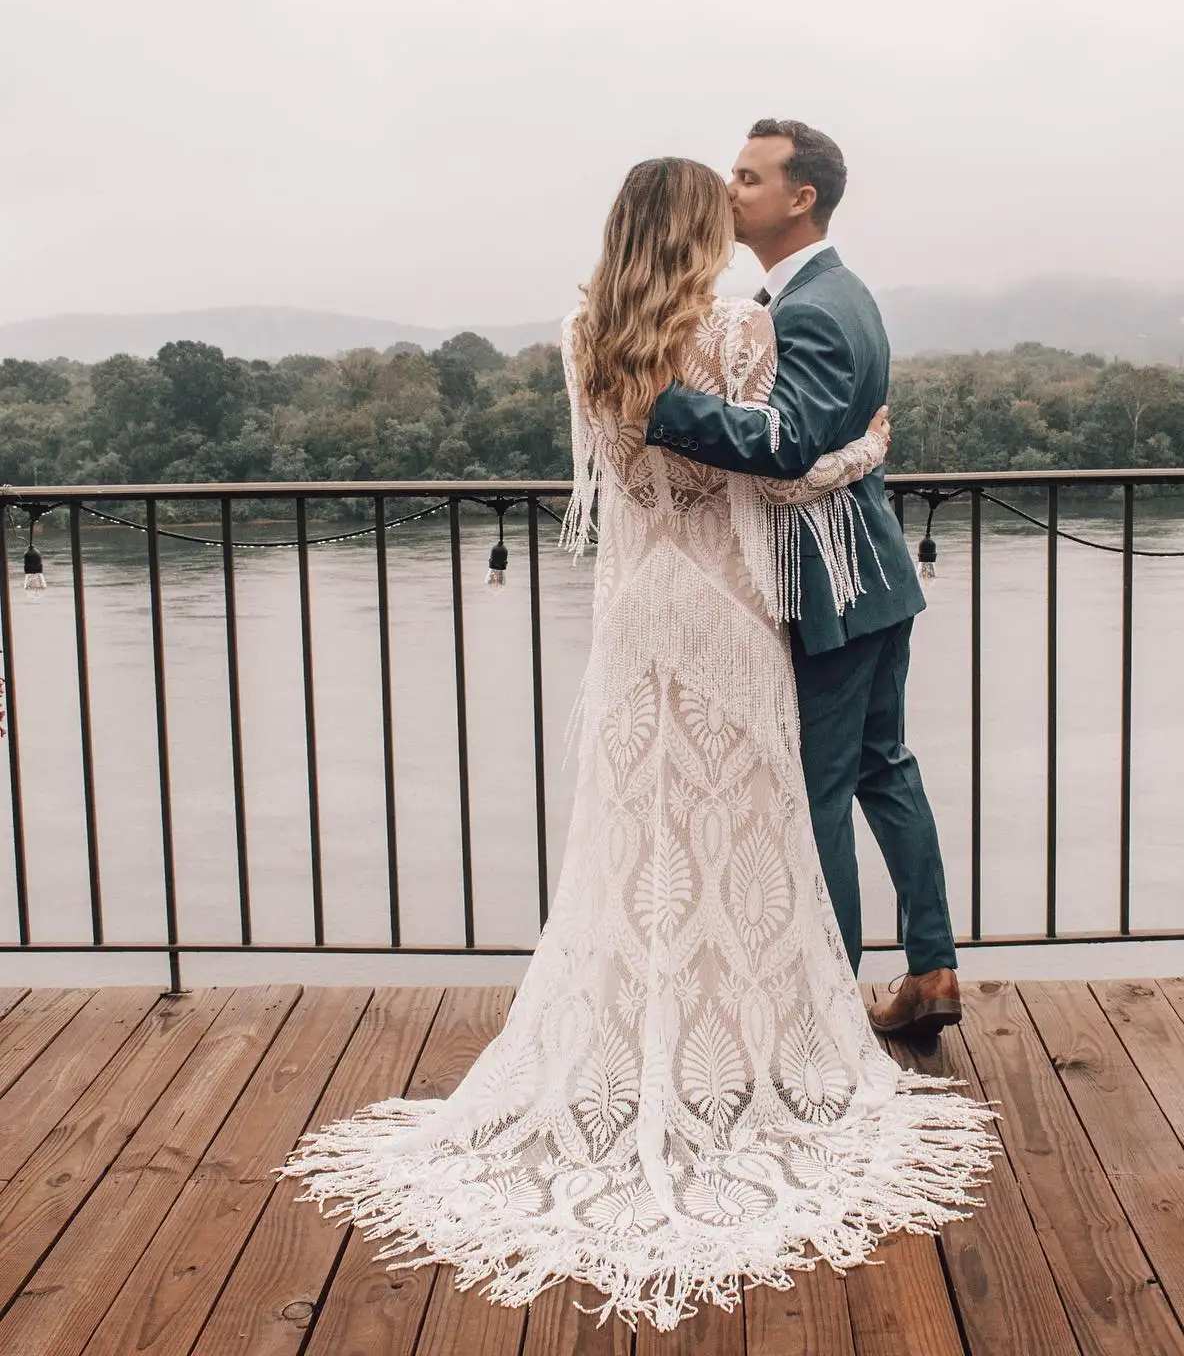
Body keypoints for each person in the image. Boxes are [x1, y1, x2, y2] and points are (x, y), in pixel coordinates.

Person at [281, 157, 995, 1332]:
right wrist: (868, 452)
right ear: (697, 232)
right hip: (727, 615)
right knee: (748, 822)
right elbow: (777, 472)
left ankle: (639, 1031)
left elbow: (634, 476)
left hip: (634, 616)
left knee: (633, 833)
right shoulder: (741, 330)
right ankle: (760, 1034)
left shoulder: (581, 333)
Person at [648, 120, 962, 1040]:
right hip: (875, 575)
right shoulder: (837, 292)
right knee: (882, 766)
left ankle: (828, 1002)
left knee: (819, 788)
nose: (728, 188)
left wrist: (657, 405)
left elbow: (787, 445)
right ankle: (933, 968)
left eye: (748, 176)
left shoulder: (811, 307)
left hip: (832, 586)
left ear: (801, 198)